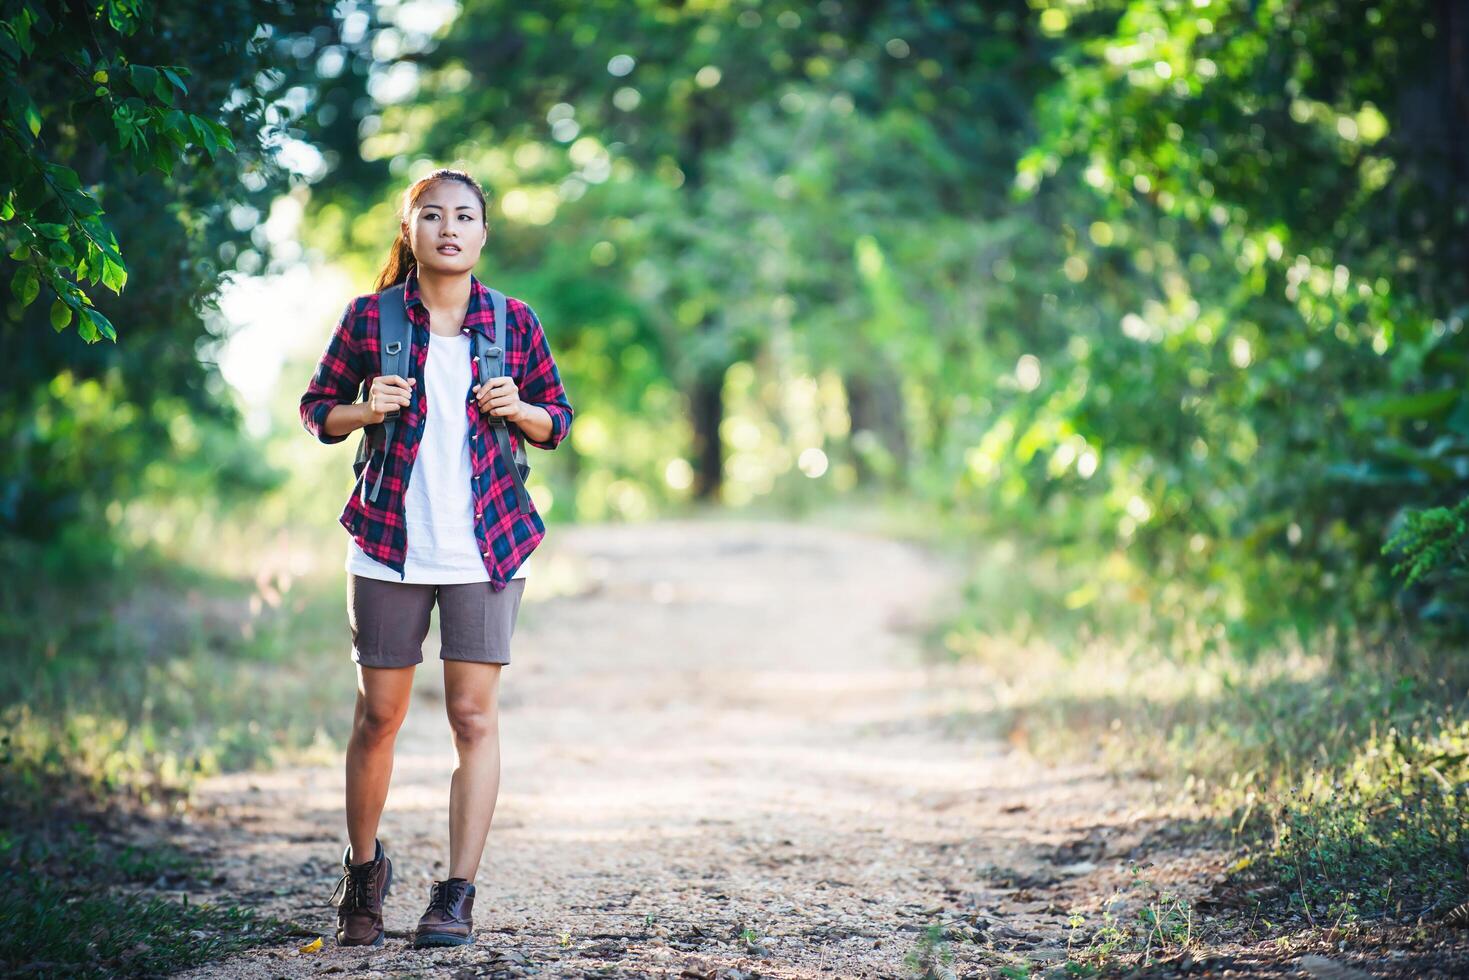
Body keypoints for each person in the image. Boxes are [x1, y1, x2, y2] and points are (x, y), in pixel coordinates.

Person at [298, 167, 574, 949]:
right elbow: (316, 411)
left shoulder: (513, 322)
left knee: (471, 717)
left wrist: (521, 409)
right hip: (388, 543)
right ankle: (362, 874)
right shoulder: (370, 318)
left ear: (483, 234)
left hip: (486, 546)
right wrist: (363, 408)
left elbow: (557, 418)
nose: (448, 228)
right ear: (408, 229)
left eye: (464, 216)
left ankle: (456, 893)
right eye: (432, 216)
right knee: (377, 717)